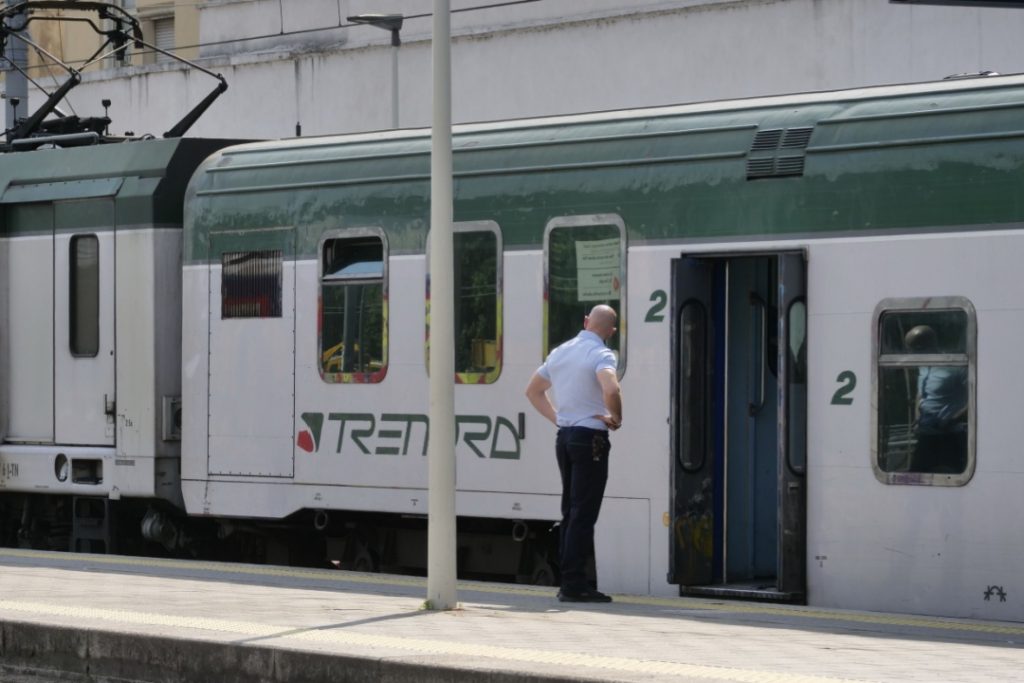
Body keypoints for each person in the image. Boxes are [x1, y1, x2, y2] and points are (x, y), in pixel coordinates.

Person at [525, 304, 622, 603]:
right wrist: (616, 418)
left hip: (565, 437)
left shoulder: (560, 352)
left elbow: (533, 391)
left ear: (585, 321)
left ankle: (569, 581)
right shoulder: (602, 354)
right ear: (611, 331)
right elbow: (611, 389)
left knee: (570, 510)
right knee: (583, 512)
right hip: (590, 438)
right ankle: (574, 584)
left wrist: (559, 419)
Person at [904, 325, 968, 473]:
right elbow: (921, 393)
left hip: (951, 437)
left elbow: (975, 399)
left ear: (929, 345)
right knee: (915, 478)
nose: (911, 354)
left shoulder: (956, 365)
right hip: (926, 435)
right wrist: (917, 416)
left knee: (954, 478)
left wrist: (953, 419)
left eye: (915, 349)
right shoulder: (922, 366)